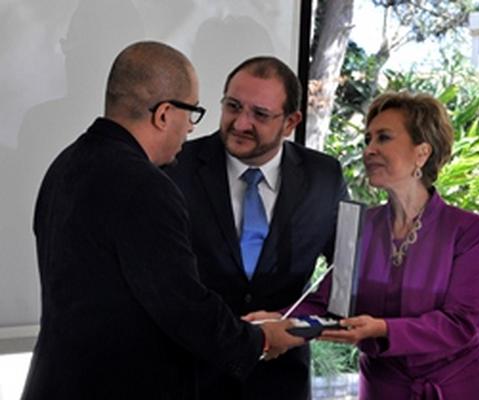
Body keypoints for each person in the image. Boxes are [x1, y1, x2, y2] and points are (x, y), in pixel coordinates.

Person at [21, 41, 304, 400]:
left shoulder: (66, 163)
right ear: (165, 114)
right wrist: (259, 339)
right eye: (192, 113)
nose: (191, 129)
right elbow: (181, 305)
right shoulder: (144, 185)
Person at [247, 91, 479, 399]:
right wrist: (279, 319)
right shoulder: (359, 225)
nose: (369, 150)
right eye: (368, 140)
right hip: (382, 388)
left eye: (384, 138)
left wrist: (383, 329)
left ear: (422, 153)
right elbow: (330, 303)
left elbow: (461, 323)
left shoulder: (470, 231)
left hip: (458, 387)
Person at [166, 56, 348, 399]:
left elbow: (347, 275)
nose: (240, 123)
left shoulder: (323, 177)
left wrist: (296, 322)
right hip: (190, 375)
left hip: (282, 378)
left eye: (260, 115)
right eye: (233, 106)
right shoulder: (176, 167)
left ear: (291, 122)